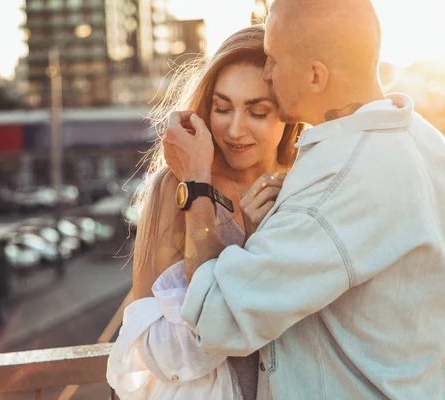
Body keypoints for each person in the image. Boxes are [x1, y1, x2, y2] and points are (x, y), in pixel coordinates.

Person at [161, 0, 445, 399]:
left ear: (315, 75)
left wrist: (195, 183)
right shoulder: (427, 142)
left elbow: (215, 316)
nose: (268, 73)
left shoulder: (340, 179)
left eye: (272, 59)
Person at [106, 25, 306, 400]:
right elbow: (162, 351)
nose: (234, 129)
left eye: (258, 112)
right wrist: (198, 184)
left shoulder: (305, 181)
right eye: (222, 107)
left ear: (288, 114)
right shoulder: (176, 186)